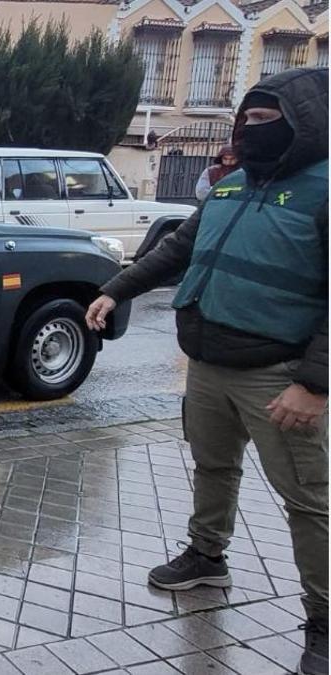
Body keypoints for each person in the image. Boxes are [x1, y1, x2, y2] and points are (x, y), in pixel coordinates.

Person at [86, 68, 328, 675]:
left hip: (278, 374)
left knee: (308, 499)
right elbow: (177, 249)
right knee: (213, 465)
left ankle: (325, 620)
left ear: (305, 123)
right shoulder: (233, 184)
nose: (248, 130)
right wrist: (116, 290)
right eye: (244, 119)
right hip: (208, 362)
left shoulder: (325, 189)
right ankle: (206, 558)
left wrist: (314, 384)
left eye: (265, 120)